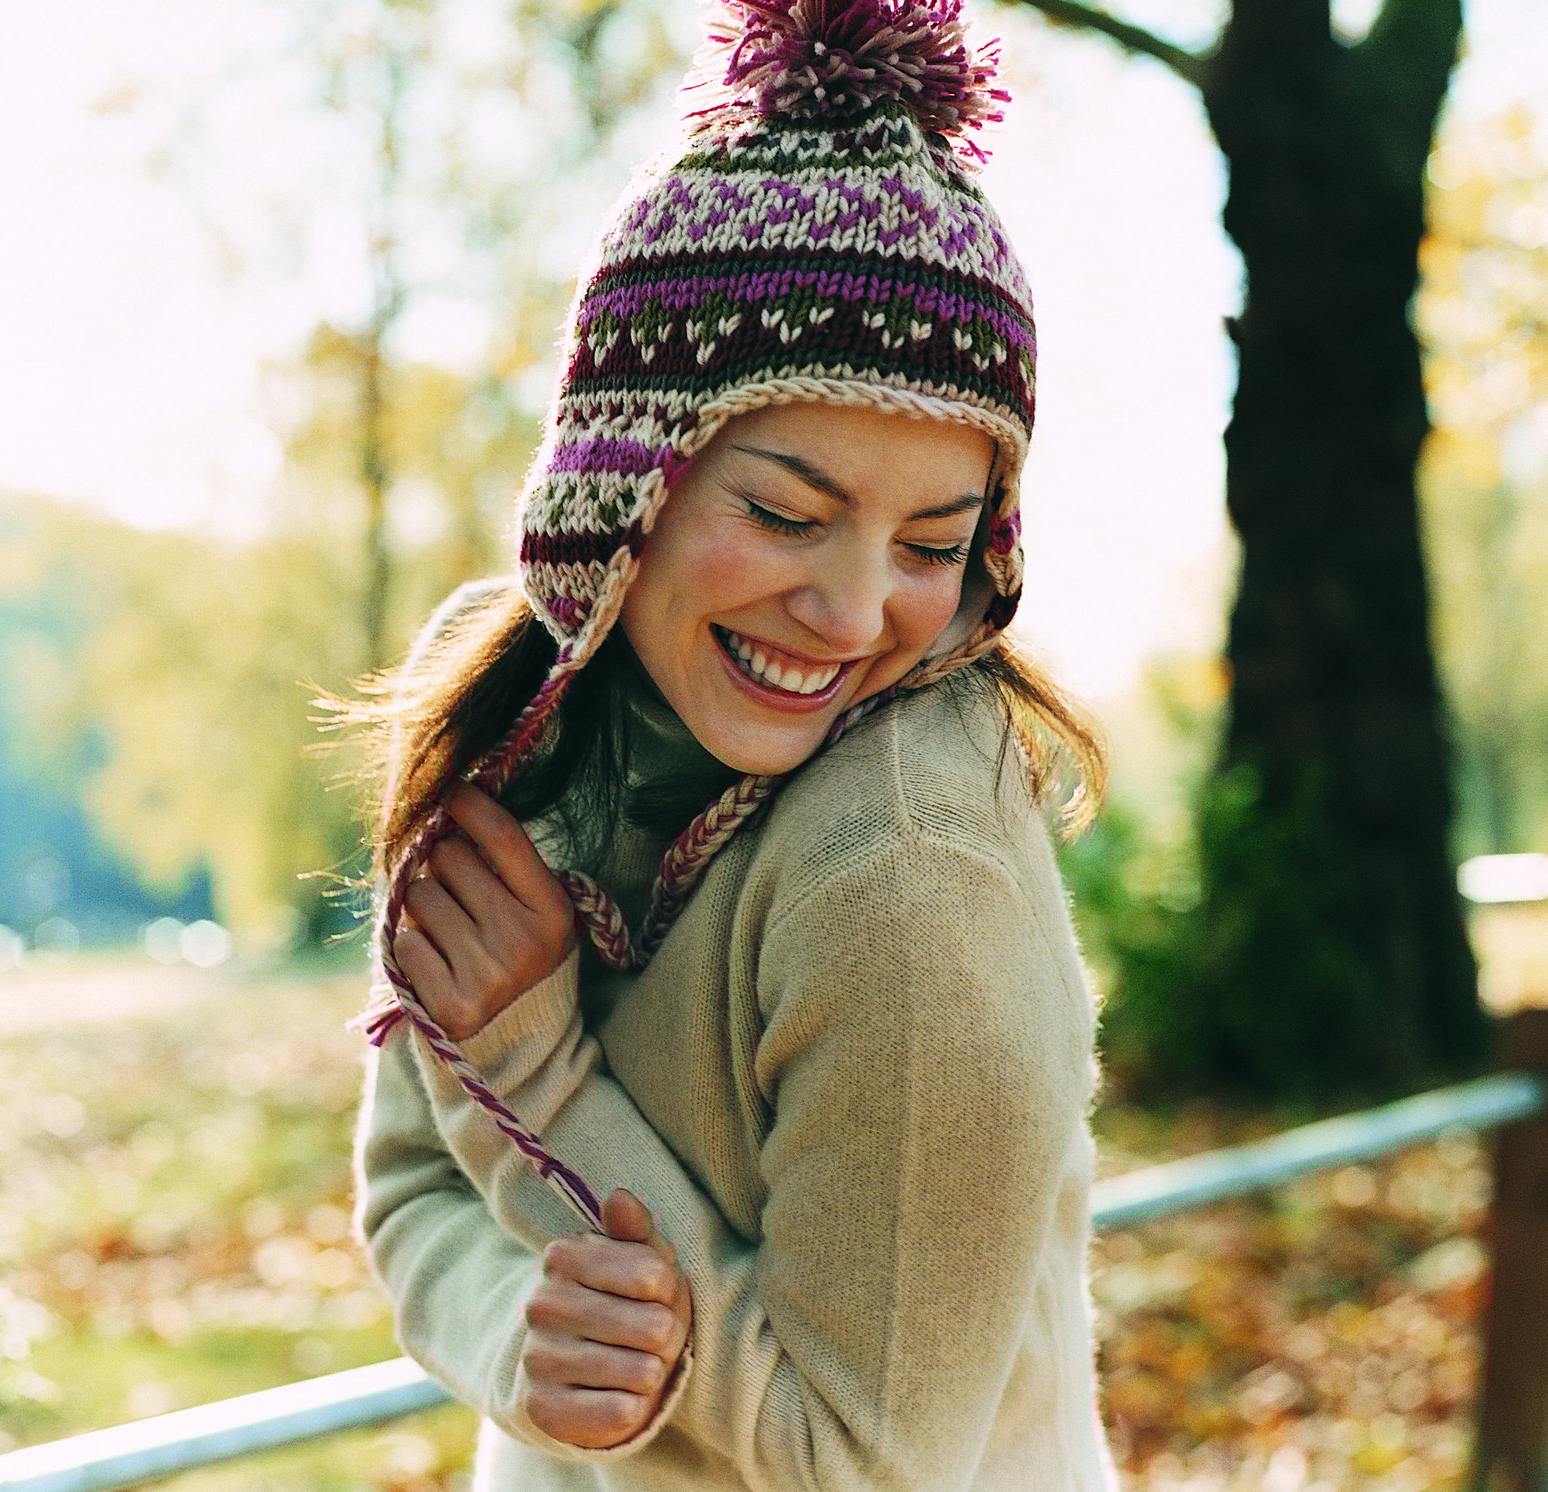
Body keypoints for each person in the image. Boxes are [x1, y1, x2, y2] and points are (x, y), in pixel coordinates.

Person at [347, 2, 1120, 1487]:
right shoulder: (516, 741)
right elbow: (411, 1186)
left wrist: (541, 1076)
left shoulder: (908, 863)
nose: (849, 614)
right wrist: (520, 1333)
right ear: (629, 471)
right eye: (785, 513)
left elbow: (869, 1460)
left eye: (933, 543)